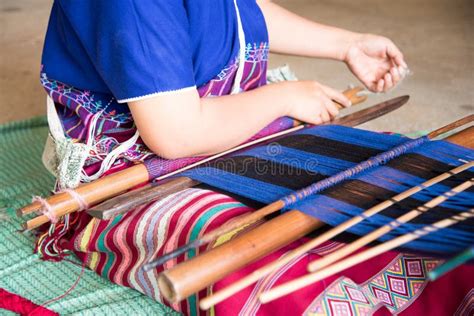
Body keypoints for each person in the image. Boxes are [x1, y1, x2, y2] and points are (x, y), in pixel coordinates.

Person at [38, 1, 474, 315]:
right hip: (144, 170)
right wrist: (283, 96)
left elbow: (238, 11)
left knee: (415, 180)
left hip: (235, 132)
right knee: (276, 263)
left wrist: (348, 43)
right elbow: (176, 135)